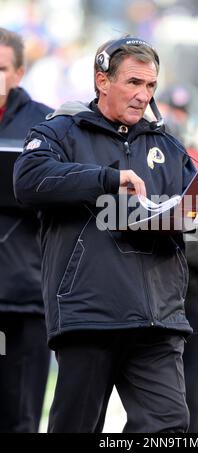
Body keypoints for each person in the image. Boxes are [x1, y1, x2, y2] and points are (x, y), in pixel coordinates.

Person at [13, 36, 198, 433]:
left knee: (169, 427)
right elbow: (27, 180)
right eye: (133, 83)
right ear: (102, 80)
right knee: (76, 426)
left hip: (158, 318)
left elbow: (196, 213)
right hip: (89, 314)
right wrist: (106, 179)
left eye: (150, 86)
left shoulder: (166, 144)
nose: (143, 95)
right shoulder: (60, 131)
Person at [0, 28, 52, 432]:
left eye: (0, 68)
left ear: (18, 73)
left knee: (21, 416)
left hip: (26, 292)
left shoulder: (48, 125)